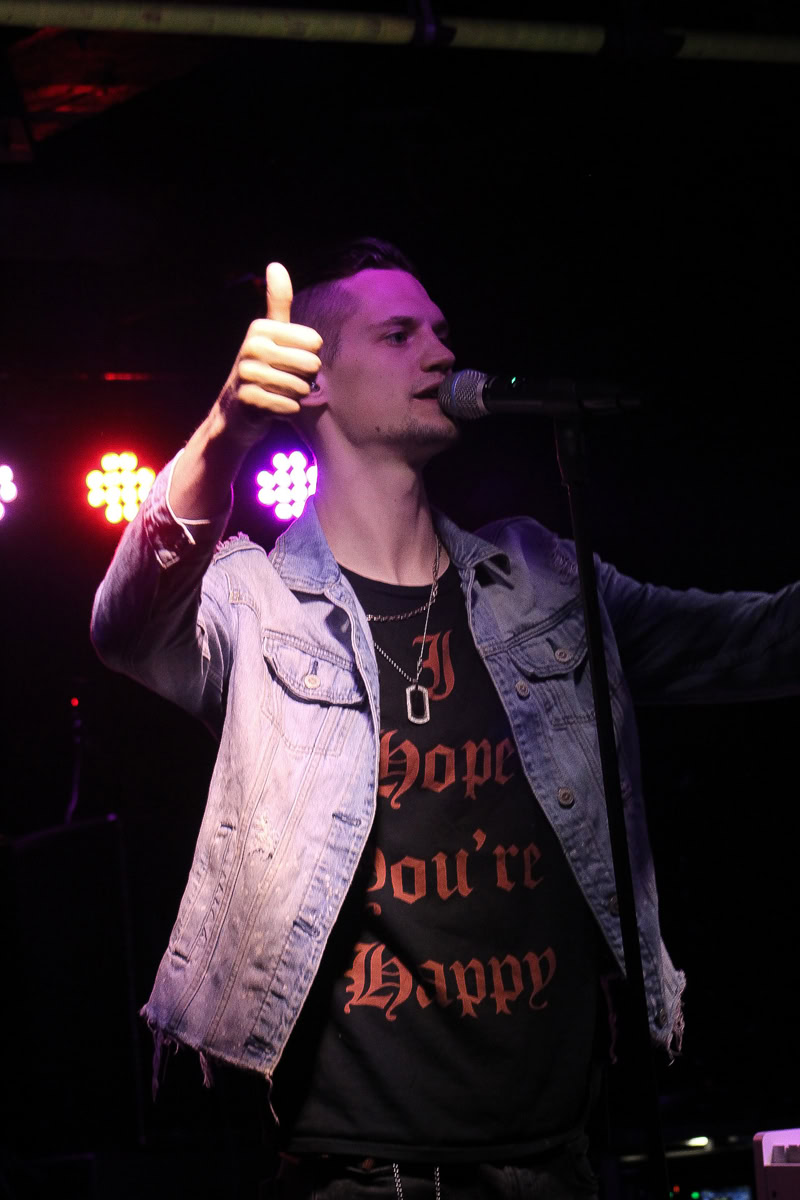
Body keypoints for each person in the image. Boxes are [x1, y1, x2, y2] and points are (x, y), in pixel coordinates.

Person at [91, 238, 799, 1199]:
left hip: (558, 1158)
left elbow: (754, 642)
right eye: (398, 335)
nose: (440, 353)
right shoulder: (259, 600)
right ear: (311, 382)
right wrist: (222, 435)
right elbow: (124, 628)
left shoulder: (539, 577)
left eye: (441, 332)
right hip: (365, 1172)